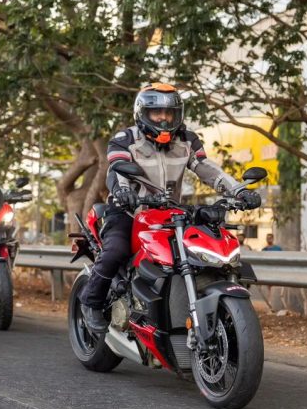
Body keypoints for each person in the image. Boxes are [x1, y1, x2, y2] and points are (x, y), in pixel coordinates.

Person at [81, 83, 261, 332]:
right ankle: (91, 302)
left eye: (170, 113)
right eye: (157, 113)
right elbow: (116, 170)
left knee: (201, 249)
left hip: (169, 211)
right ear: (143, 113)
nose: (164, 119)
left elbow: (206, 169)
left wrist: (238, 191)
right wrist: (122, 192)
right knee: (116, 250)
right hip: (128, 211)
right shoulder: (125, 140)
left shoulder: (187, 139)